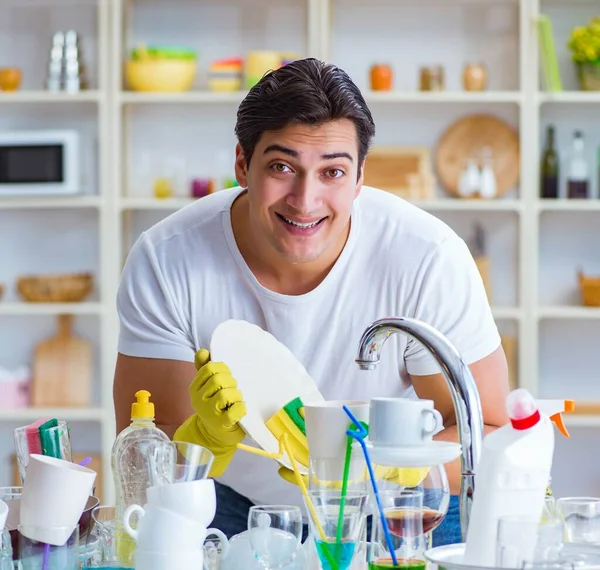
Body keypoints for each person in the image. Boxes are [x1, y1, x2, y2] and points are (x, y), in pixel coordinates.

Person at [113, 57, 510, 546]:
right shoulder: (167, 259)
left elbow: (489, 431)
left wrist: (390, 466)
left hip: (397, 506)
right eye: (282, 166)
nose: (305, 200)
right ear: (242, 163)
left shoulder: (426, 258)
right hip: (237, 504)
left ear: (361, 177)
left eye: (333, 172)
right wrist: (207, 437)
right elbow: (145, 460)